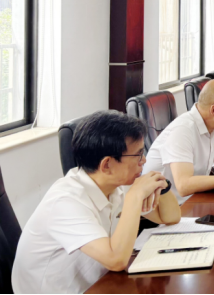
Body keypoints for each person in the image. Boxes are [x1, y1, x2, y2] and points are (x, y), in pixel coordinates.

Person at [12, 111, 182, 294]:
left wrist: (162, 185)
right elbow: (116, 260)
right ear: (107, 165)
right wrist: (135, 197)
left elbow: (170, 217)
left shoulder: (116, 184)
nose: (144, 160)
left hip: (99, 283)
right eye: (138, 154)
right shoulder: (65, 202)